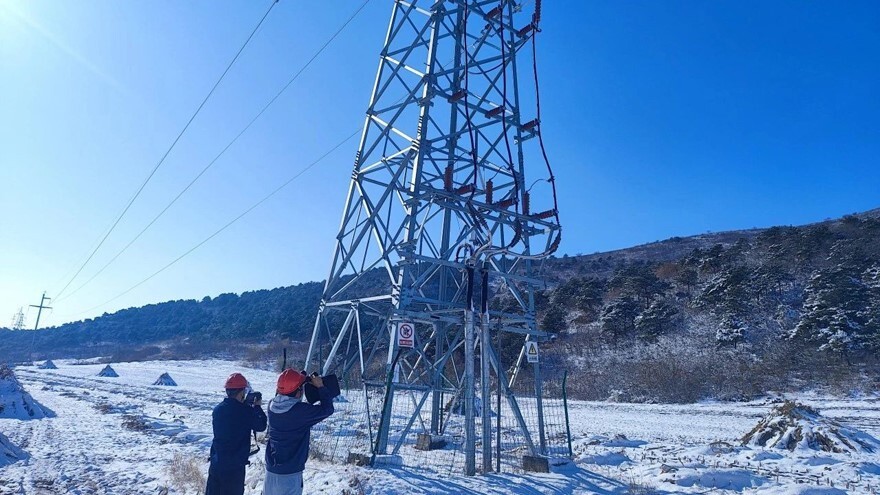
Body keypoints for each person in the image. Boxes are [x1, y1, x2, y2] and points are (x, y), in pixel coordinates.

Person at [263, 370, 335, 495]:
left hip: (271, 471)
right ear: (298, 392)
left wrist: (298, 380)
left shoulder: (271, 406)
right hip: (290, 474)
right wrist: (320, 387)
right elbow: (327, 409)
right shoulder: (300, 412)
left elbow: (290, 402)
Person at [205, 372, 267, 495]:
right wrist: (257, 407)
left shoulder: (218, 409)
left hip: (217, 463)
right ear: (242, 392)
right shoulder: (245, 412)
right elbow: (261, 425)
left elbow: (233, 416)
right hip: (234, 467)